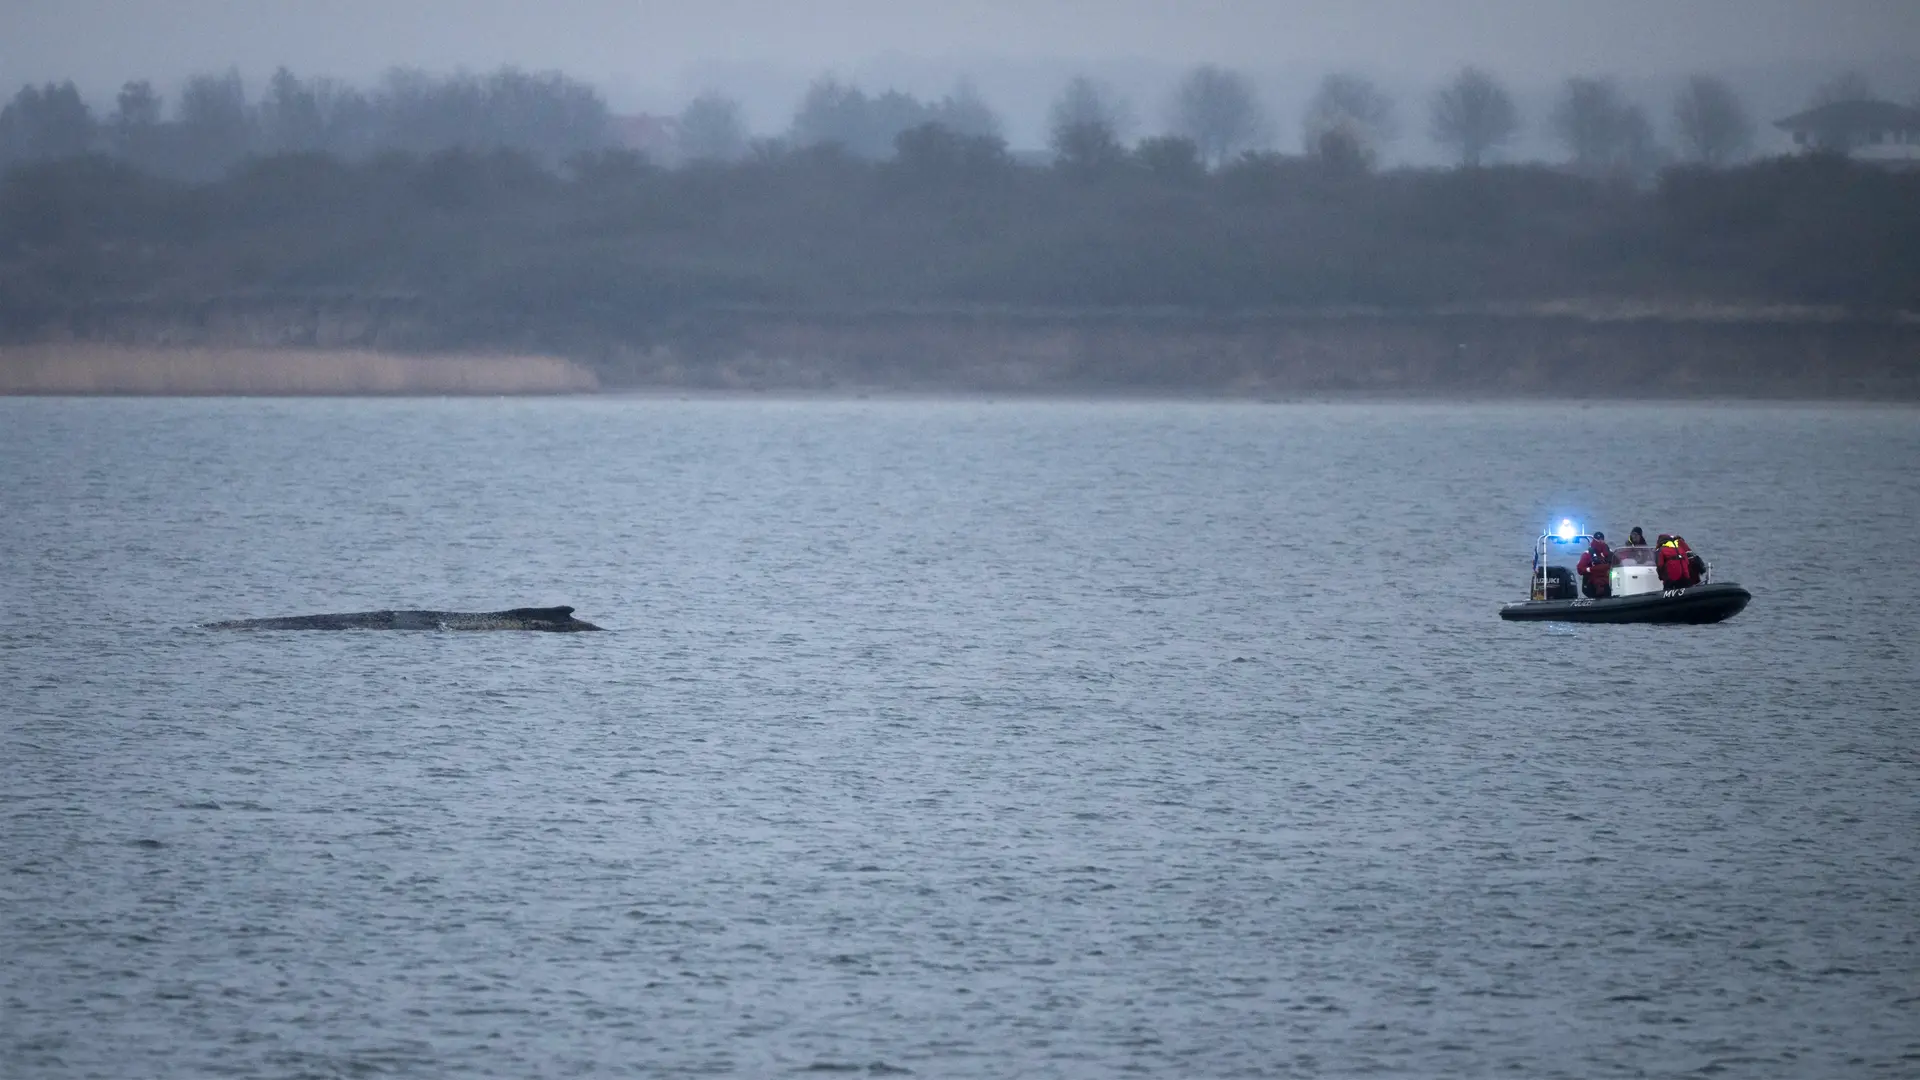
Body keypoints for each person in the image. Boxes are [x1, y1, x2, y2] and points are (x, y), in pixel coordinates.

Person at [1576, 531, 1614, 598]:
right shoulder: (1587, 554)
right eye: (1598, 540)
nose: (1600, 542)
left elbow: (1617, 563)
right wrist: (1591, 569)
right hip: (1594, 585)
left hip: (1610, 582)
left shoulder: (1610, 553)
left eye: (1601, 540)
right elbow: (1580, 569)